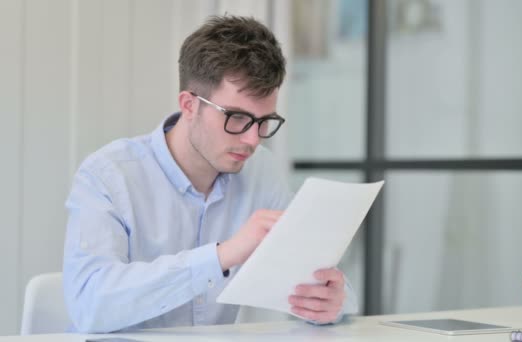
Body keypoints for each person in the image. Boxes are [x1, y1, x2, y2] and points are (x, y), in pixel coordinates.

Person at [62, 15, 357, 333]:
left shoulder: (261, 171)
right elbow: (89, 306)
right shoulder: (110, 176)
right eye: (237, 117)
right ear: (189, 105)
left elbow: (312, 277)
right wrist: (222, 256)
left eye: (263, 121)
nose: (252, 140)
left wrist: (331, 302)